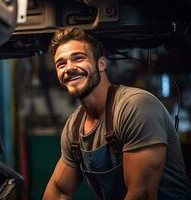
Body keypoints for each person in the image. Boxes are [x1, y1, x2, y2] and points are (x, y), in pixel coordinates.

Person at [42, 27, 191, 200]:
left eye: (78, 58)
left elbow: (141, 194)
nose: (69, 68)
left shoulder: (135, 106)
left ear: (101, 63)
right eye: (61, 64)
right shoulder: (74, 127)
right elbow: (59, 191)